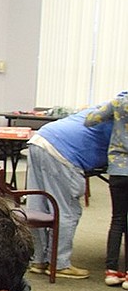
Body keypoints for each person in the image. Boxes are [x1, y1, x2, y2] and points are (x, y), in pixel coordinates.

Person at [25, 105, 113, 280]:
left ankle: (39, 260)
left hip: (40, 139)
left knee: (39, 205)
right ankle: (59, 264)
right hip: (63, 151)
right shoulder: (120, 118)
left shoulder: (110, 105)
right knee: (66, 210)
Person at [84, 92, 128, 287]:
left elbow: (89, 121)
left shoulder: (118, 102)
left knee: (117, 218)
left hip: (118, 169)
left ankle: (112, 270)